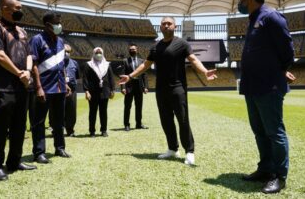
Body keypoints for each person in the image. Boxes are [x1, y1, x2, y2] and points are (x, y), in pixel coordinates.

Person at [119, 17, 217, 165]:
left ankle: (189, 151)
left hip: (178, 88)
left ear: (175, 27)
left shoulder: (182, 43)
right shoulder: (155, 47)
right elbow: (145, 65)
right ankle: (172, 149)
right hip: (161, 89)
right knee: (166, 120)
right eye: (163, 24)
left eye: (169, 23)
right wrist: (131, 76)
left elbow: (194, 60)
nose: (166, 26)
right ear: (160, 28)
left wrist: (204, 72)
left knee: (183, 120)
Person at [237, 0, 295, 194]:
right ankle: (266, 169)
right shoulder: (253, 19)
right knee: (259, 131)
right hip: (252, 85)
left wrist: (279, 70)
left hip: (268, 85)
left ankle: (280, 176)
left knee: (274, 132)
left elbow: (287, 49)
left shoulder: (271, 17)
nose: (239, 1)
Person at [0, 0, 36, 181]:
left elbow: (30, 54)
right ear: (5, 8)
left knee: (19, 126)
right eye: (17, 8)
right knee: (1, 127)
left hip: (23, 85)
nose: (20, 11)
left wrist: (28, 72)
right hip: (4, 86)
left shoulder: (23, 31)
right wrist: (19, 73)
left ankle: (15, 161)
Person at [29, 11, 71, 164]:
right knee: (39, 122)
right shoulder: (37, 40)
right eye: (57, 22)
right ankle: (39, 152)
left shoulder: (60, 41)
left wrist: (65, 83)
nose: (60, 25)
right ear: (47, 25)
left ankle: (59, 148)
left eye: (60, 22)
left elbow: (62, 65)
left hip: (59, 87)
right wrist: (38, 87)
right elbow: (33, 65)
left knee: (59, 121)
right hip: (44, 88)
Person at [83, 47, 115, 137]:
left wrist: (112, 90)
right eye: (97, 52)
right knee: (92, 112)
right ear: (93, 53)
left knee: (103, 112)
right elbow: (85, 78)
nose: (98, 54)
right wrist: (86, 91)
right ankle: (92, 131)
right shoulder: (88, 65)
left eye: (100, 52)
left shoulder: (107, 64)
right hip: (93, 92)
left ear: (103, 53)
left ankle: (104, 130)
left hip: (105, 91)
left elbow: (111, 78)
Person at [121, 43, 149, 131]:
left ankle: (139, 124)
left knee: (139, 106)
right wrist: (123, 87)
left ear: (137, 50)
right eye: (131, 49)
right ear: (129, 51)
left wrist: (145, 86)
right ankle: (126, 124)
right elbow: (123, 75)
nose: (132, 51)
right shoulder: (125, 61)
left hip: (139, 86)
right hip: (129, 86)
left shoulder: (142, 61)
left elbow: (144, 75)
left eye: (134, 49)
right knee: (127, 106)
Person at [64, 44, 80, 137]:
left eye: (68, 52)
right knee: (58, 111)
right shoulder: (58, 62)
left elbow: (77, 76)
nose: (66, 53)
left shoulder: (75, 63)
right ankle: (57, 130)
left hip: (72, 90)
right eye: (65, 51)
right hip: (59, 89)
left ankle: (70, 130)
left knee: (71, 111)